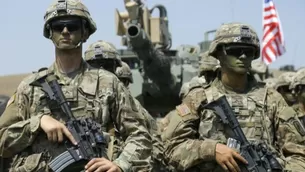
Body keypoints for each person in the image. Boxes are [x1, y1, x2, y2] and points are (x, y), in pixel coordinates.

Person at [0, 1, 152, 172]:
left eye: (72, 26)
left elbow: (140, 135)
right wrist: (37, 122)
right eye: (58, 27)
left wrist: (120, 164)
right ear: (50, 33)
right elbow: (2, 139)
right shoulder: (30, 86)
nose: (65, 31)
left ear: (85, 32)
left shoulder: (108, 83)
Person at [163, 22, 305, 171]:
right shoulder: (198, 98)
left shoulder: (272, 99)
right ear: (219, 53)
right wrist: (212, 149)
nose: (243, 56)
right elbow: (171, 148)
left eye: (248, 51)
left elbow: (298, 153)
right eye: (235, 50)